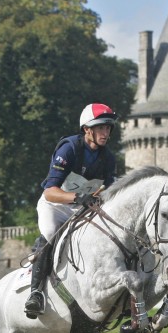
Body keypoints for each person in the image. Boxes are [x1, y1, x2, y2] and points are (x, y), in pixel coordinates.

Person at [24, 103, 119, 318]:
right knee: (50, 234)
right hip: (55, 206)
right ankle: (36, 293)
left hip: (82, 210)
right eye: (101, 128)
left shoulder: (108, 158)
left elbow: (109, 190)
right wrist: (78, 197)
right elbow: (50, 192)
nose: (106, 133)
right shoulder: (70, 149)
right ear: (87, 129)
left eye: (108, 128)